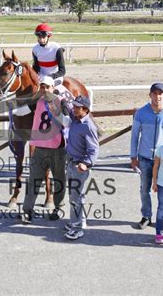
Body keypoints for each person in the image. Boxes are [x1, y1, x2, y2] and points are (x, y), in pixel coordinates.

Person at [130, 83, 163, 230]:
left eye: (160, 93)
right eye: (154, 93)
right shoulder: (141, 113)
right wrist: (133, 156)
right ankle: (146, 216)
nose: (157, 96)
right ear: (150, 95)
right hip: (144, 158)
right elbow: (134, 136)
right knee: (144, 189)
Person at [21, 76, 68, 224]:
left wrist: (57, 113)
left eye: (47, 87)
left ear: (53, 87)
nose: (45, 90)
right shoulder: (37, 101)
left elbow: (68, 122)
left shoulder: (62, 102)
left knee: (59, 179)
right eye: (42, 87)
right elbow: (20, 112)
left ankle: (58, 207)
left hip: (57, 148)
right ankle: (27, 210)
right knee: (33, 180)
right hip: (40, 147)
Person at [64, 95, 99, 240]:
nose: (74, 108)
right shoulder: (75, 118)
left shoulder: (88, 126)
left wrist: (86, 163)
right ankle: (79, 221)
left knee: (75, 197)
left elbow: (94, 150)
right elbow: (66, 107)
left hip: (79, 166)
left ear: (85, 110)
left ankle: (77, 228)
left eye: (77, 107)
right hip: (71, 162)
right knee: (77, 195)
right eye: (74, 106)